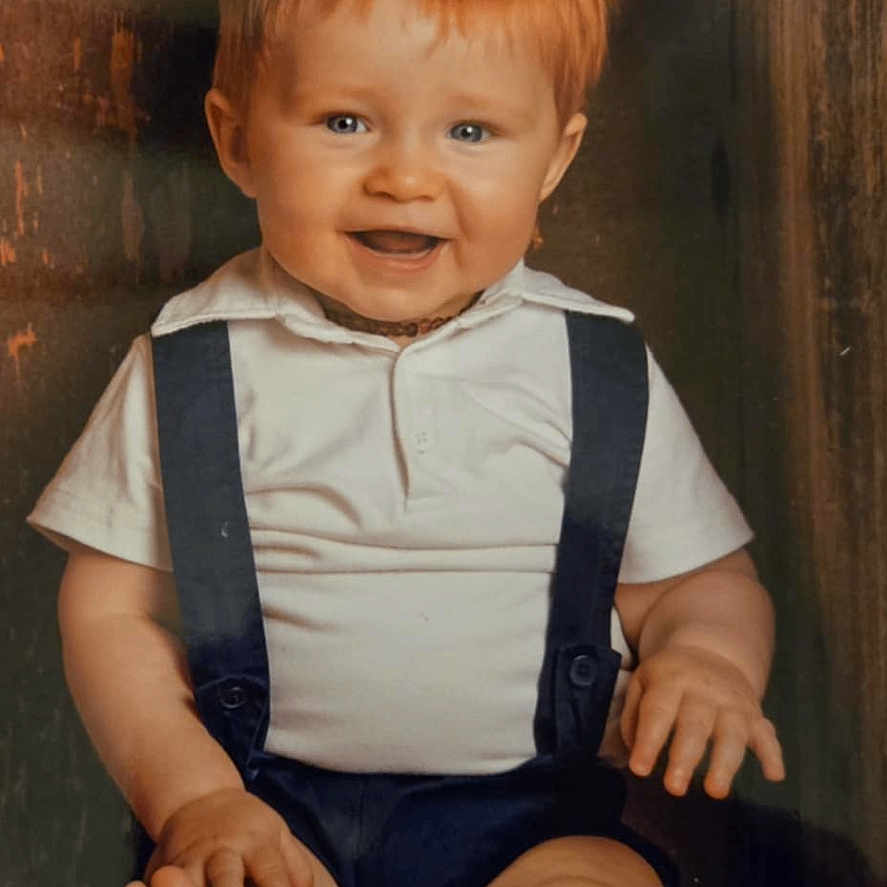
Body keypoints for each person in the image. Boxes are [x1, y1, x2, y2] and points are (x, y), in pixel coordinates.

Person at [28, 1, 785, 885]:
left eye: (469, 131)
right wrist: (195, 800)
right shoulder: (192, 363)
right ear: (237, 142)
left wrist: (707, 657)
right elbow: (111, 612)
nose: (405, 178)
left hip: (542, 820)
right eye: (345, 122)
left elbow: (694, 583)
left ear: (554, 158)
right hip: (262, 810)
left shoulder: (592, 365)